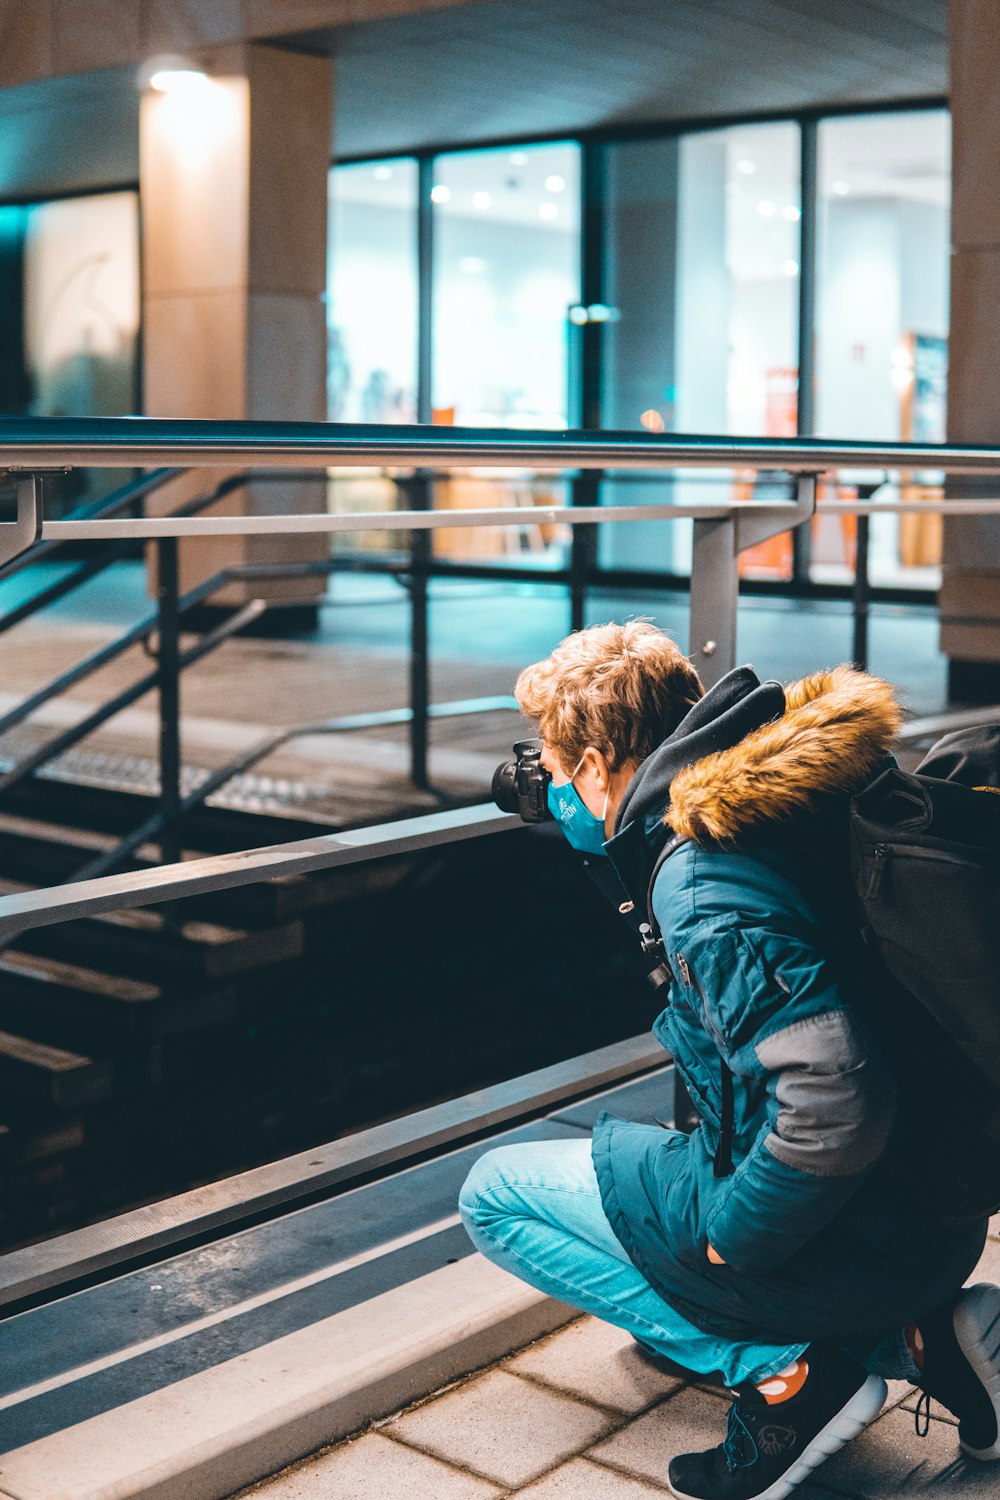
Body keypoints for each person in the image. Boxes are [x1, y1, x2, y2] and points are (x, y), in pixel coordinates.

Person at [459, 620, 1000, 1500]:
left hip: (844, 1236)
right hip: (928, 1211)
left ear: (596, 767)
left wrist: (731, 1238)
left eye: (560, 771)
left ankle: (789, 1377)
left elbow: (832, 1100)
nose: (554, 788)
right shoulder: (787, 792)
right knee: (658, 1158)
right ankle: (922, 1339)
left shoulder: (701, 881)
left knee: (496, 1193)